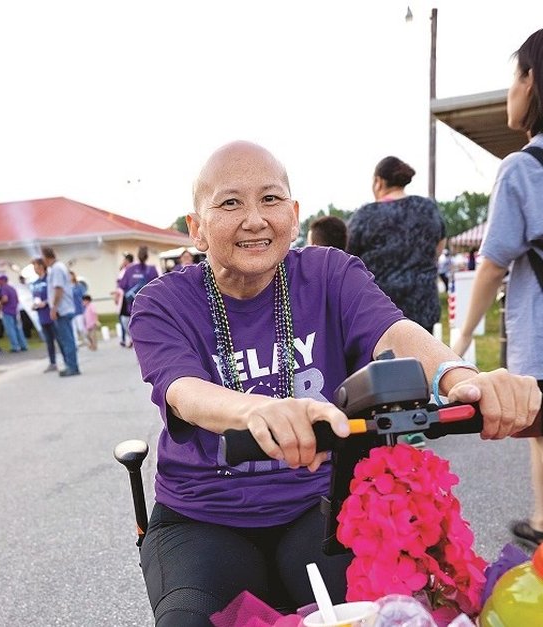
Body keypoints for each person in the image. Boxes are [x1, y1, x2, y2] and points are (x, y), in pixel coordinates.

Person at [129, 140, 541, 626]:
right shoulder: (162, 302)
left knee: (388, 615)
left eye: (271, 199)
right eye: (229, 202)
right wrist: (257, 410)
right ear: (196, 229)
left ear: (295, 214)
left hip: (319, 505)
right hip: (202, 516)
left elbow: (395, 331)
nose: (256, 218)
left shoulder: (329, 273)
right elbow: (184, 391)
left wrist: (461, 377)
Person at [452, 29, 543, 548]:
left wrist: (461, 342)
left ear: (533, 83)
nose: (511, 89)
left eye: (516, 76)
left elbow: (492, 265)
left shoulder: (523, 169)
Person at [347, 156, 446, 334]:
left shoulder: (365, 216)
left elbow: (348, 257)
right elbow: (439, 246)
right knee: (423, 360)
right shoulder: (428, 208)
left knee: (385, 362)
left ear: (378, 182)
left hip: (381, 311)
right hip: (423, 307)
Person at [42, 247, 80, 377]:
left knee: (67, 339)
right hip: (65, 307)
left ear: (47, 257)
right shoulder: (59, 267)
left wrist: (54, 308)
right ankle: (71, 364)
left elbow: (58, 289)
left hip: (62, 309)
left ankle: (72, 366)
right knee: (67, 338)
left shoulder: (57, 269)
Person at [117, 245, 158, 347]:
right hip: (149, 308)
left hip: (133, 309)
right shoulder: (152, 269)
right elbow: (157, 288)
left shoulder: (130, 270)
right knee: (151, 339)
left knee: (139, 341)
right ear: (147, 256)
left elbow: (122, 285)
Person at [31, 257, 59, 373]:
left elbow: (54, 294)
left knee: (59, 338)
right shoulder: (36, 283)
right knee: (48, 341)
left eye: (36, 267)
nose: (34, 269)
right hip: (41, 315)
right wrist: (35, 305)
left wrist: (46, 302)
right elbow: (36, 297)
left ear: (41, 266)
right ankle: (52, 362)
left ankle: (67, 360)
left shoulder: (49, 279)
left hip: (51, 313)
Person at [0, 275, 28, 353]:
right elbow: (17, 300)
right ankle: (23, 345)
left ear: (2, 281)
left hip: (7, 311)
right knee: (18, 328)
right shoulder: (12, 288)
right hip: (15, 310)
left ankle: (15, 346)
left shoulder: (3, 288)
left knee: (11, 330)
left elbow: (5, 298)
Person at [114, 253, 134, 346]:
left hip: (128, 298)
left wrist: (117, 296)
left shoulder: (130, 270)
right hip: (124, 298)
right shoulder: (123, 270)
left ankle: (132, 338)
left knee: (126, 319)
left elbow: (120, 286)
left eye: (124, 259)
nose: (123, 261)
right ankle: (130, 338)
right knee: (124, 320)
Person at [70, 271, 86, 346]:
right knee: (73, 328)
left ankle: (86, 339)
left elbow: (83, 296)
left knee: (81, 327)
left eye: (70, 275)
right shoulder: (66, 287)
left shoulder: (79, 286)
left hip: (79, 309)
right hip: (71, 310)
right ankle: (75, 342)